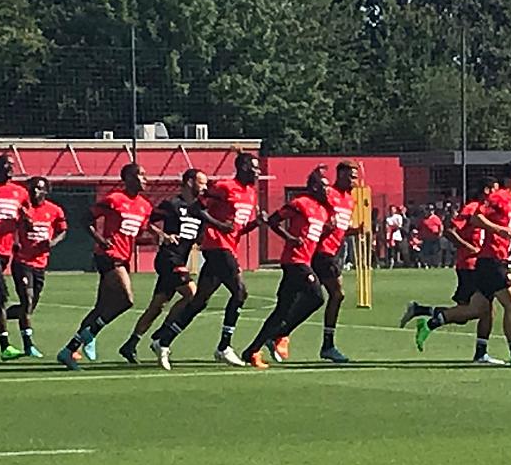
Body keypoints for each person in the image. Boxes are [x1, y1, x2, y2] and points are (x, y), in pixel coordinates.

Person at [413, 160, 511, 367]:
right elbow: (475, 218)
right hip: (492, 261)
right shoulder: (500, 196)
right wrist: (497, 229)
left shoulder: (510, 202)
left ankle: (430, 322)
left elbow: (505, 229)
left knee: (476, 310)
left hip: (490, 261)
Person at [150, 153, 264, 371]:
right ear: (242, 167)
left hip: (229, 247)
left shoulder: (251, 193)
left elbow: (238, 228)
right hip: (216, 247)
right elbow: (195, 208)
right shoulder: (224, 187)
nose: (257, 172)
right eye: (253, 168)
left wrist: (256, 223)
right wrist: (217, 225)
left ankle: (163, 341)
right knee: (240, 292)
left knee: (199, 301)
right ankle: (224, 347)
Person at [57, 164, 160, 370]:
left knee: (101, 307)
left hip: (123, 258)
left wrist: (158, 238)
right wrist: (100, 239)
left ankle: (69, 350)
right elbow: (85, 219)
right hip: (108, 256)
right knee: (126, 300)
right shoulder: (114, 200)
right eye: (141, 175)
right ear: (129, 177)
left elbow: (135, 235)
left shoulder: (144, 206)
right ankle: (90, 333)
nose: (145, 179)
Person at [398, 176, 504, 365]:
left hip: (476, 264)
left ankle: (421, 310)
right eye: (495, 189)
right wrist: (468, 247)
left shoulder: (487, 210)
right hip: (470, 265)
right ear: (487, 190)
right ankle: (435, 325)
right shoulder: (472, 208)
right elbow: (449, 230)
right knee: (483, 310)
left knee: (470, 312)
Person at [117, 168, 218, 364]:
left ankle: (130, 344)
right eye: (202, 183)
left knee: (157, 306)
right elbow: (146, 220)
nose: (205, 187)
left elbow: (198, 232)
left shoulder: (200, 208)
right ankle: (162, 336)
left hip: (180, 259)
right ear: (190, 182)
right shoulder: (172, 204)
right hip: (168, 259)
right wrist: (161, 235)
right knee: (193, 294)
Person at [241, 172, 331, 368]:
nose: (328, 189)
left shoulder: (323, 211)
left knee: (281, 311)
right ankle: (280, 334)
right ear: (314, 187)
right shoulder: (300, 203)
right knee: (317, 297)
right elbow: (273, 220)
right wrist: (288, 237)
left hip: (304, 261)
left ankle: (252, 350)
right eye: (324, 185)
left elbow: (314, 236)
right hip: (294, 262)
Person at [276, 160, 358, 364]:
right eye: (350, 176)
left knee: (298, 297)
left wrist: (353, 231)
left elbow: (338, 227)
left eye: (355, 176)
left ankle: (280, 333)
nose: (353, 180)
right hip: (321, 251)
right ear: (339, 176)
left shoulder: (350, 200)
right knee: (336, 294)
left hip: (333, 251)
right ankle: (326, 345)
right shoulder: (328, 193)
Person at [8, 176, 67, 358]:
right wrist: (16, 241)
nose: (35, 192)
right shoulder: (22, 209)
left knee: (30, 307)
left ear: (46, 191)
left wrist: (53, 242)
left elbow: (63, 230)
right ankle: (28, 344)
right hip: (22, 262)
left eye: (39, 188)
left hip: (40, 264)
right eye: (32, 188)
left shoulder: (54, 210)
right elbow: (9, 228)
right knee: (27, 299)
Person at [0, 154, 31, 361]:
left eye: (12, 165)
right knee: (1, 295)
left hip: (6, 251)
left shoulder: (20, 193)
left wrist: (27, 222)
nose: (10, 168)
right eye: (5, 164)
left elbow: (27, 220)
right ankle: (5, 345)